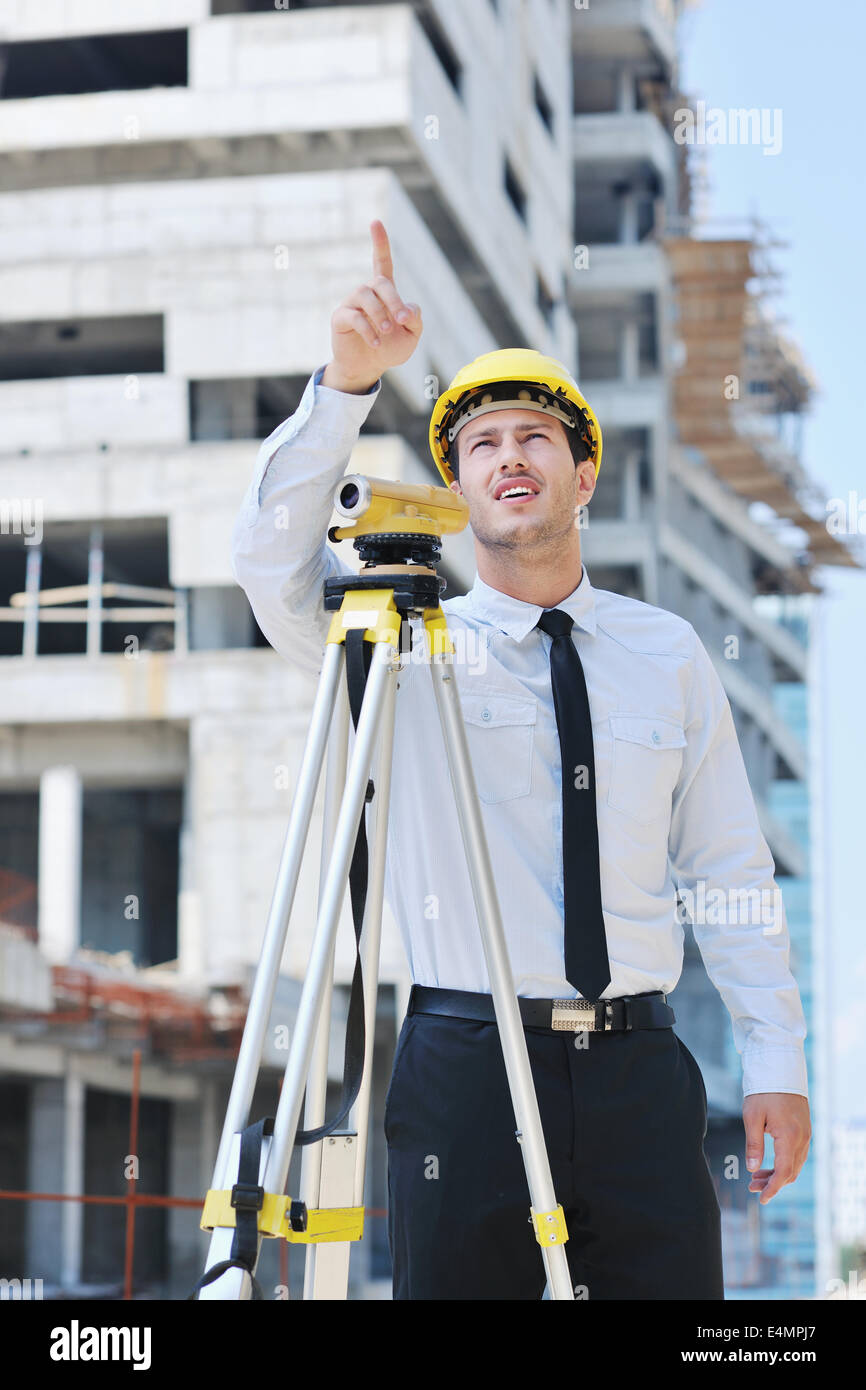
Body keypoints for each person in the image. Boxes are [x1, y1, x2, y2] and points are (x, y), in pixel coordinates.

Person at [230, 220, 811, 1300]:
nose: (508, 457)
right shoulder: (397, 643)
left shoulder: (667, 653)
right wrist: (346, 387)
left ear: (581, 474)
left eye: (534, 438)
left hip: (643, 1070)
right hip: (463, 1069)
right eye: (482, 444)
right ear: (456, 487)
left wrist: (774, 1059)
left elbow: (727, 870)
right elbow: (267, 565)